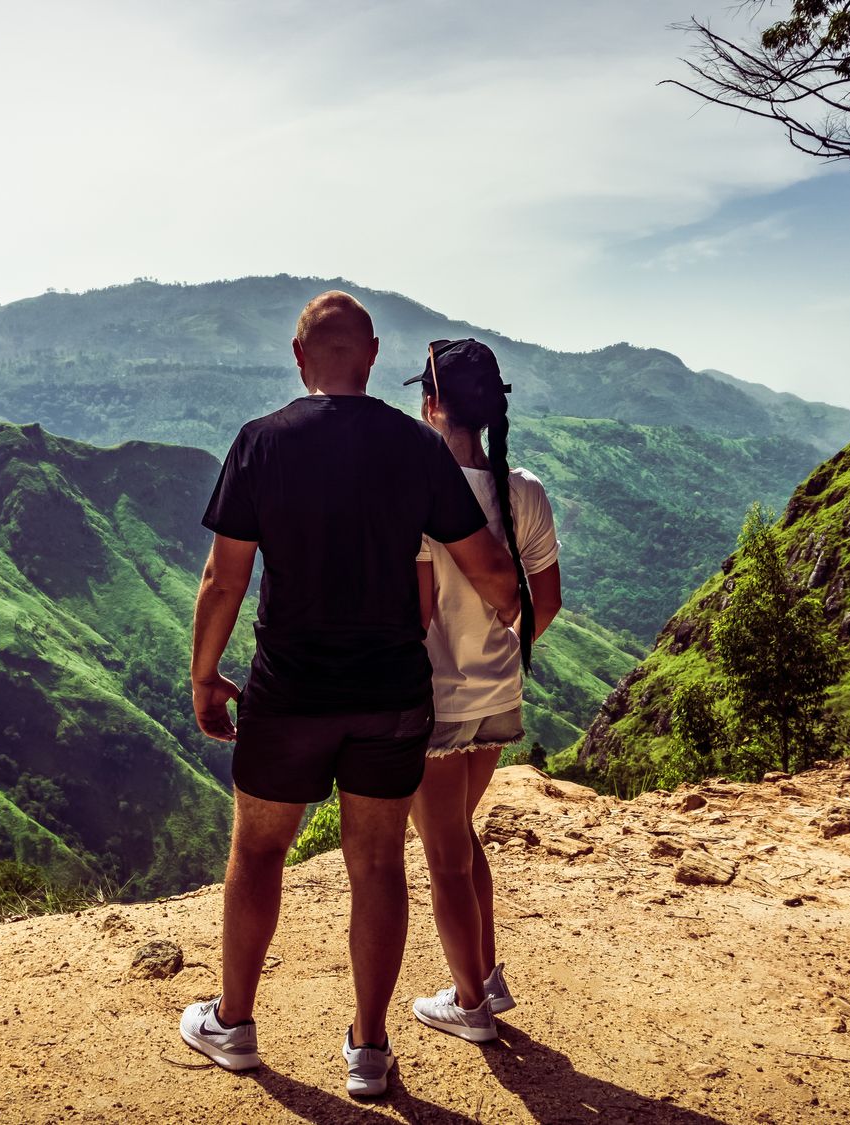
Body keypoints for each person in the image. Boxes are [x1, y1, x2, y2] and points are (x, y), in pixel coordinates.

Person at [179, 293, 526, 1098]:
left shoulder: (260, 442)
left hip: (291, 687)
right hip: (391, 693)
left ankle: (234, 1022)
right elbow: (493, 573)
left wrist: (204, 675)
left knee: (258, 852)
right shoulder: (416, 448)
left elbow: (225, 577)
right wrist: (505, 620)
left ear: (300, 361)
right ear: (371, 357)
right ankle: (369, 1049)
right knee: (376, 863)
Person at [400, 338, 563, 1045]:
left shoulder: (419, 493)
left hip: (436, 706)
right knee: (459, 838)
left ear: (432, 405)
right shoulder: (524, 489)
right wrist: (499, 641)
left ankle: (468, 1004)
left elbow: (417, 616)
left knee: (443, 860)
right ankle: (487, 975)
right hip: (498, 698)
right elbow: (545, 605)